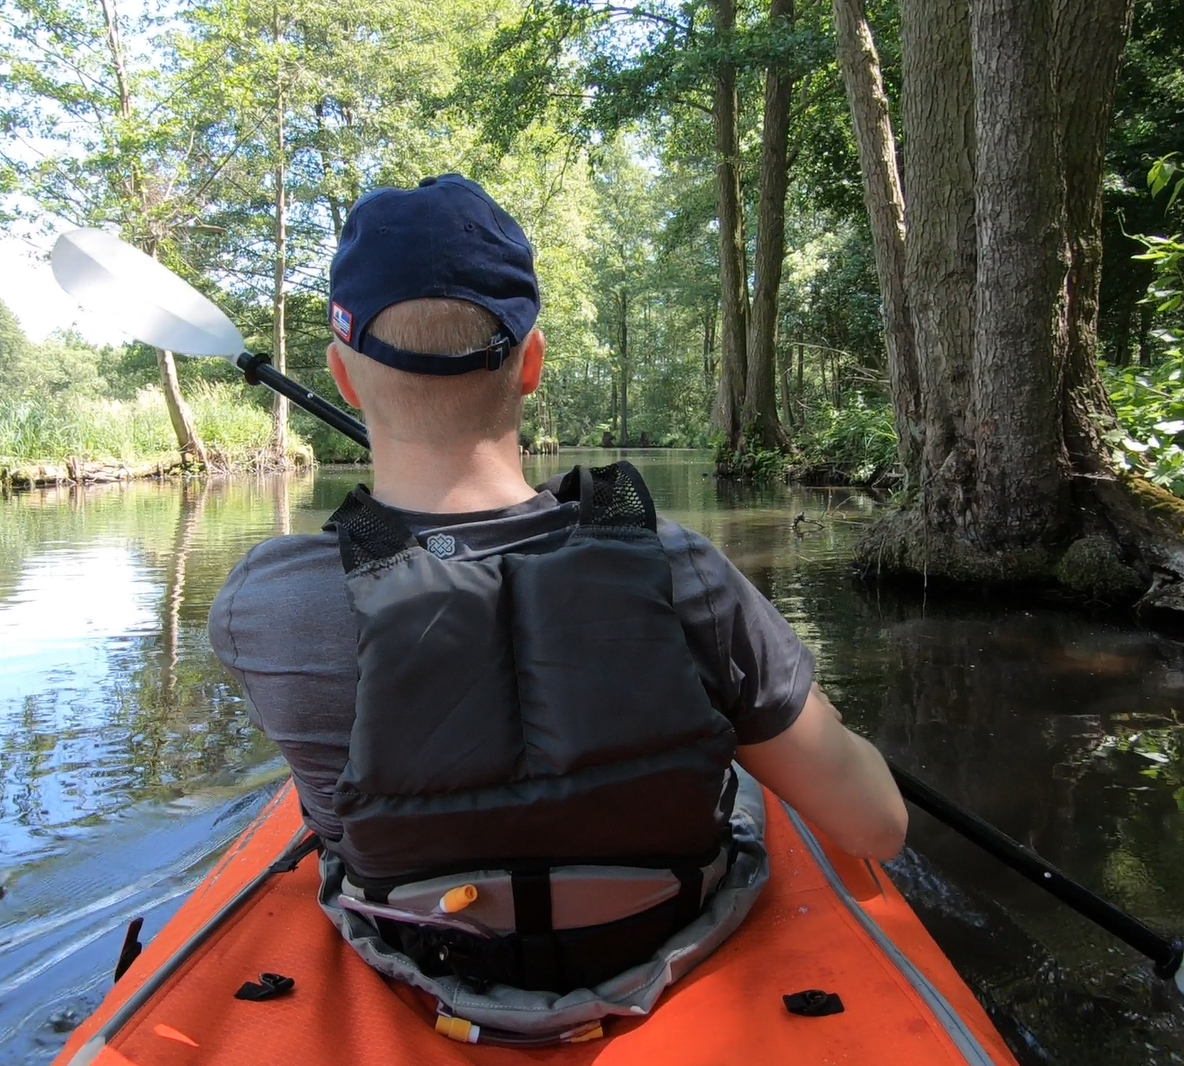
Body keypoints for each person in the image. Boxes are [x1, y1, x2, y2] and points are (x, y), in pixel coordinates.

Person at [207, 174, 906, 1033]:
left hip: (419, 956)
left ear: (343, 380)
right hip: (669, 929)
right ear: (530, 363)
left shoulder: (266, 603)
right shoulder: (683, 570)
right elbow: (877, 827)